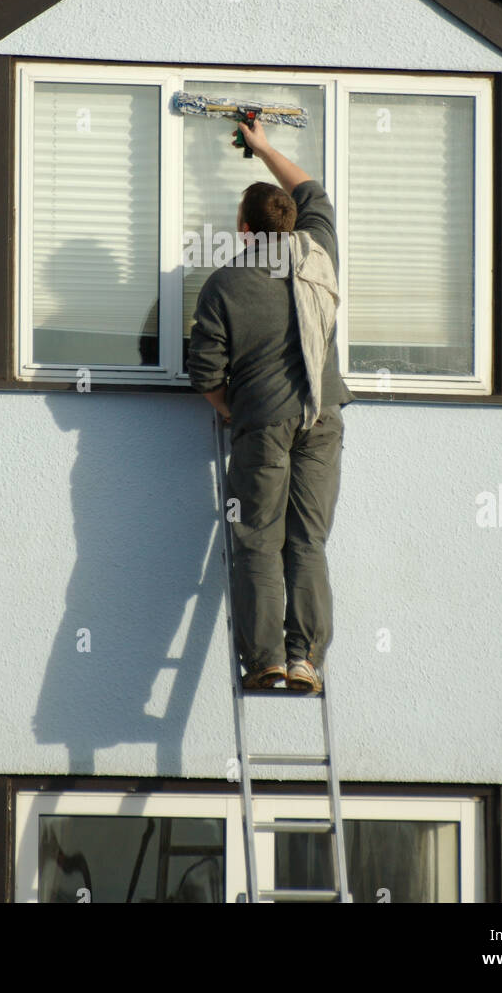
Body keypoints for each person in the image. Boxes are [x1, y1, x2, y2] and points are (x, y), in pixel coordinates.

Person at [186, 116, 353, 694]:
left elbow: (205, 372)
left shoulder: (227, 284)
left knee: (258, 537)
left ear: (245, 227)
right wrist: (262, 148)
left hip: (265, 422)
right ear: (291, 224)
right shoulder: (319, 253)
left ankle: (266, 660)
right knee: (308, 540)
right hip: (324, 416)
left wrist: (231, 407)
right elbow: (314, 192)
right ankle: (306, 658)